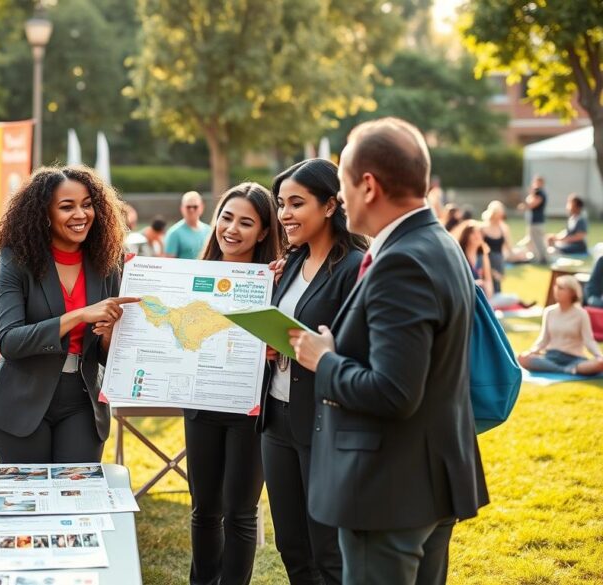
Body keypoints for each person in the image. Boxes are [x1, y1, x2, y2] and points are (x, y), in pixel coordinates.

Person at [290, 117, 489, 585]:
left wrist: (324, 359)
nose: (339, 198)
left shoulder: (401, 260)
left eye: (341, 183)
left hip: (389, 487)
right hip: (431, 475)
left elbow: (394, 391)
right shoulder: (437, 241)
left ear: (368, 185)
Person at [0, 165, 133, 464]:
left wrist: (109, 336)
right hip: (21, 399)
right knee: (27, 500)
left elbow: (105, 354)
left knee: (77, 498)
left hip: (82, 400)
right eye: (67, 207)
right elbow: (9, 341)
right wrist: (79, 316)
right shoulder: (16, 260)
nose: (81, 214)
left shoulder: (108, 263)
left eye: (87, 205)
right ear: (44, 214)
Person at [259, 159, 366, 584]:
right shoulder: (288, 264)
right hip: (277, 419)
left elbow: (357, 348)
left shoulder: (356, 267)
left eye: (297, 203)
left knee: (328, 550)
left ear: (329, 205)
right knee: (291, 545)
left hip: (325, 423)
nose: (284, 213)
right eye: (281, 203)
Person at [185, 181, 286, 585]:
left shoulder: (276, 281)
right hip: (201, 404)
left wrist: (272, 347)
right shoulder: (193, 276)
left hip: (251, 409)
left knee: (241, 512)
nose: (233, 229)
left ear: (263, 232)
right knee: (204, 509)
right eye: (227, 217)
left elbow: (288, 339)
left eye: (247, 222)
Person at [518, 275, 603, 375]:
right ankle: (566, 370)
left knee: (600, 364)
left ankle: (565, 368)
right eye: (556, 287)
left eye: (561, 288)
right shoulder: (549, 311)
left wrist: (599, 356)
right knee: (522, 358)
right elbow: (543, 338)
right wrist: (532, 351)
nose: (557, 290)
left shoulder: (581, 314)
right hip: (551, 357)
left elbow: (589, 340)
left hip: (574, 359)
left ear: (572, 292)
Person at [452, 220, 526, 310]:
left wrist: (487, 289)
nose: (477, 236)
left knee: (513, 297)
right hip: (465, 296)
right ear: (466, 236)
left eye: (479, 233)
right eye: (473, 233)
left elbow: (488, 281)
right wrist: (474, 284)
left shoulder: (483, 255)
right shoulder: (460, 255)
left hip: (483, 297)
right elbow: (457, 283)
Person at [164, 190, 211, 259]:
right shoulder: (174, 233)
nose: (191, 210)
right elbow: (169, 263)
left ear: (202, 207)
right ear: (182, 208)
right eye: (188, 207)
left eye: (195, 207)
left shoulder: (209, 230)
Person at [480, 201, 513, 291]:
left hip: (498, 259)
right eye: (498, 215)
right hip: (486, 259)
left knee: (497, 285)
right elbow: (479, 246)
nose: (500, 217)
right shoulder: (483, 228)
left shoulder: (504, 228)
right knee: (487, 285)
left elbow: (508, 246)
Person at [522, 175, 549, 264]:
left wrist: (530, 195)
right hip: (535, 221)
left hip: (537, 222)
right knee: (536, 240)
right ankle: (542, 258)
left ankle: (540, 259)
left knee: (538, 241)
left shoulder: (540, 193)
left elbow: (531, 204)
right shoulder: (538, 193)